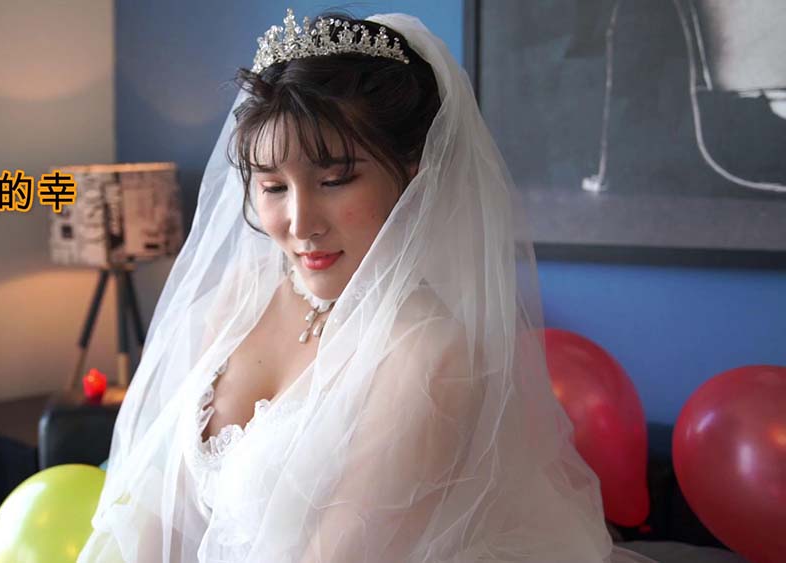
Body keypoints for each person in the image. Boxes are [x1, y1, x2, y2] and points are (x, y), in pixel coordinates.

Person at [78, 10, 656, 562]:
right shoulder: (240, 295)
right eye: (273, 187)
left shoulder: (430, 355)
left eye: (336, 179)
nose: (301, 224)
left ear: (411, 175)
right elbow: (165, 508)